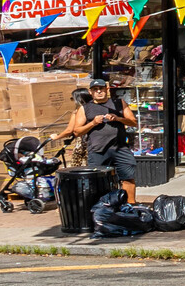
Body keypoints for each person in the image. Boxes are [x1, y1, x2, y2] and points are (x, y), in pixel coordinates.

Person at [58, 76, 136, 204]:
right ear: (90, 92)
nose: (99, 91)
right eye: (95, 89)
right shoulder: (85, 109)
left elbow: (133, 122)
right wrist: (93, 123)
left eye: (101, 88)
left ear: (107, 89)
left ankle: (131, 207)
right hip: (98, 150)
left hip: (120, 148)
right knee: (97, 181)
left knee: (128, 178)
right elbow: (77, 131)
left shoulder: (119, 103)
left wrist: (118, 119)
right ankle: (101, 208)